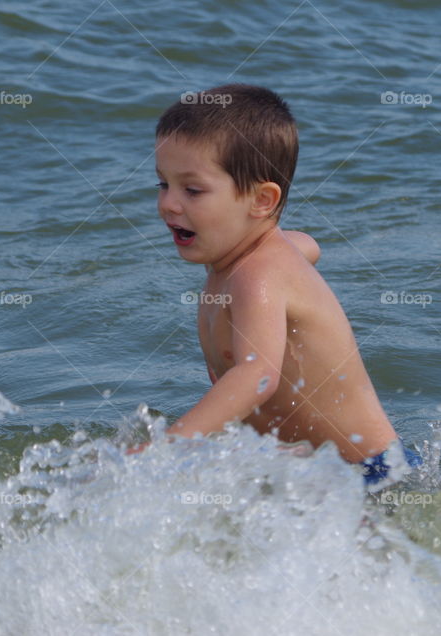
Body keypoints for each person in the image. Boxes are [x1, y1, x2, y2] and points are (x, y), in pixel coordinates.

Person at [141, 83, 420, 488]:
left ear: (261, 201)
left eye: (193, 190)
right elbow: (308, 244)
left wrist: (168, 447)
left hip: (371, 477)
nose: (168, 203)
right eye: (162, 184)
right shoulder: (250, 259)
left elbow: (257, 375)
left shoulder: (258, 275)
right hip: (314, 475)